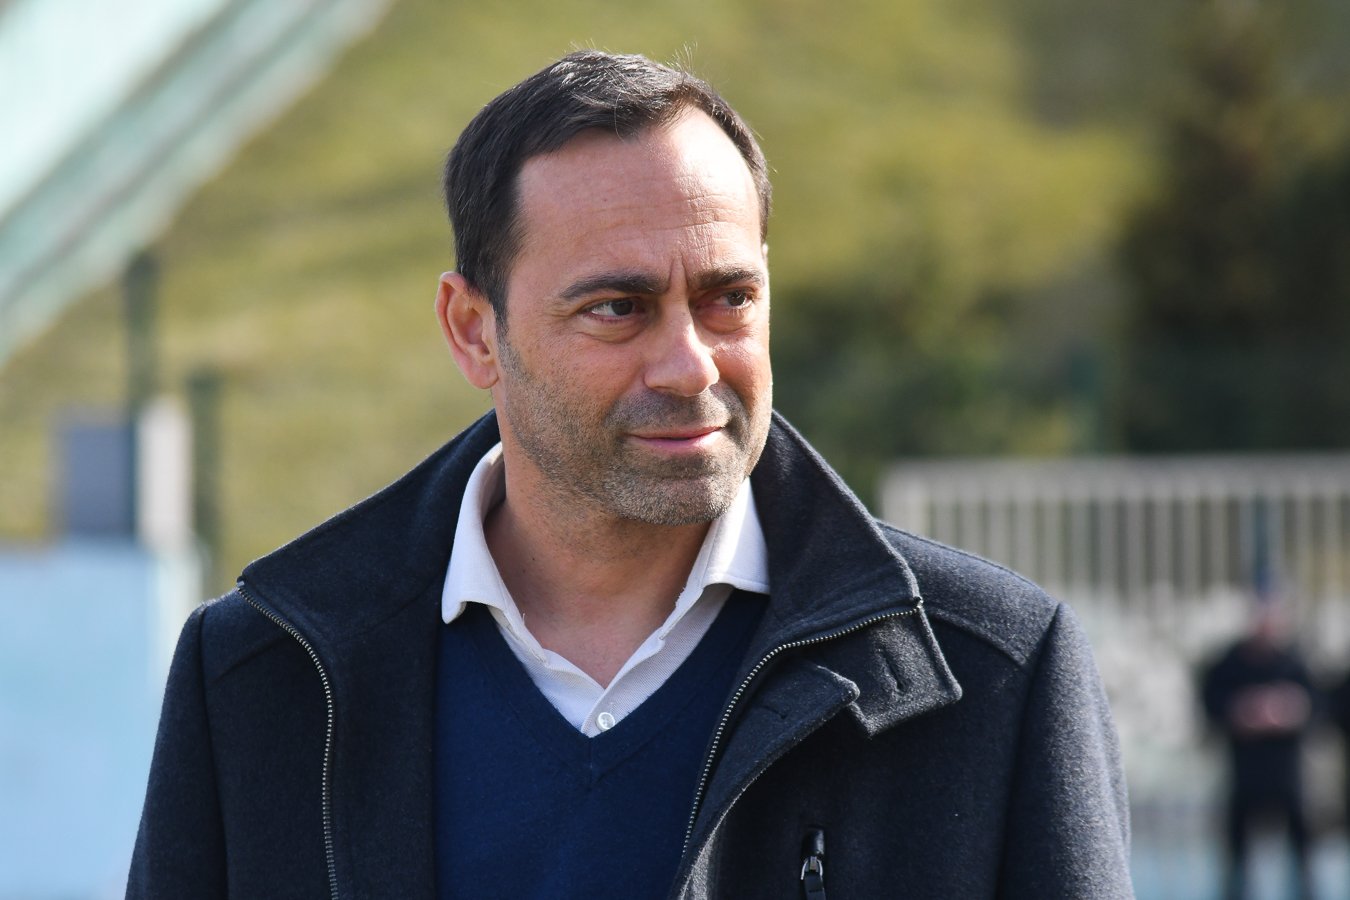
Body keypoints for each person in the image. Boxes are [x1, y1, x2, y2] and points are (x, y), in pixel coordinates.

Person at [127, 50, 1131, 899]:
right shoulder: (263, 680)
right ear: (474, 331)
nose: (690, 365)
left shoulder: (991, 677)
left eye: (730, 298)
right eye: (618, 308)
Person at [1200, 600, 1317, 900]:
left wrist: (1289, 709)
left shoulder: (1294, 662)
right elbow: (1211, 704)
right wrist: (1241, 711)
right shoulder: (1229, 664)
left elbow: (1317, 706)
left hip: (1286, 772)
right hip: (1245, 771)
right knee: (1238, 849)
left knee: (1300, 846)